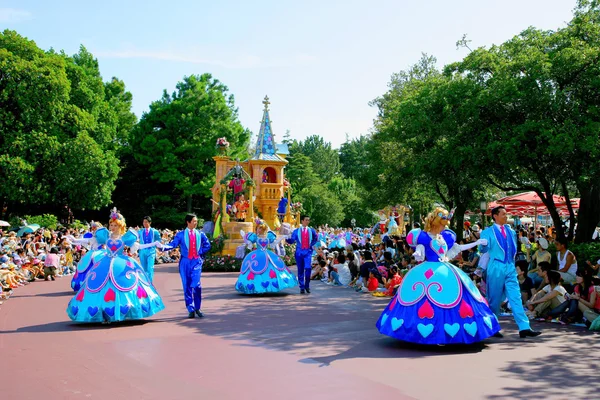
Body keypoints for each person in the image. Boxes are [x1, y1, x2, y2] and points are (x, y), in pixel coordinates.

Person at [376, 207, 501, 345]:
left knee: (456, 292)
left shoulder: (446, 236)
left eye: (445, 221)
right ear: (435, 220)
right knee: (418, 294)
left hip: (445, 271)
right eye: (443, 221)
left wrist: (476, 243)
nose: (444, 224)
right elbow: (420, 249)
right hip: (428, 271)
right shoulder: (422, 236)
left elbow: (457, 248)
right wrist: (418, 253)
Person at [66, 209, 165, 323]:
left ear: (120, 226)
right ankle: (103, 312)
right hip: (105, 262)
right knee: (100, 285)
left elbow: (139, 246)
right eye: (111, 225)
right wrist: (75, 240)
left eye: (114, 225)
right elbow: (89, 240)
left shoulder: (125, 238)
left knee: (125, 283)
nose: (112, 227)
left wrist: (154, 244)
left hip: (121, 264)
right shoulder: (105, 236)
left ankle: (124, 310)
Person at [480, 206, 541, 338]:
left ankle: (524, 327)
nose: (506, 216)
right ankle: (493, 326)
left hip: (510, 266)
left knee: (516, 297)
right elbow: (483, 250)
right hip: (496, 266)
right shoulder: (487, 232)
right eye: (503, 214)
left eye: (506, 214)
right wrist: (483, 245)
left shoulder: (511, 231)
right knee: (494, 300)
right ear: (495, 216)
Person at [235, 219, 298, 294]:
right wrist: (246, 240)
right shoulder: (255, 237)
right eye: (258, 228)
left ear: (264, 228)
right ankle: (256, 287)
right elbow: (249, 245)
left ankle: (268, 287)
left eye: (261, 228)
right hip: (257, 255)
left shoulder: (269, 236)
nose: (259, 230)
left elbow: (274, 243)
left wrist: (282, 237)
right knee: (255, 269)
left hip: (267, 254)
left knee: (272, 267)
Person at [166, 214, 211, 318]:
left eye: (196, 221)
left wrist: (200, 253)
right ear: (188, 222)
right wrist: (163, 247)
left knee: (196, 285)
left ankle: (197, 308)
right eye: (194, 221)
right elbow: (173, 244)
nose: (196, 223)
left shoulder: (200, 234)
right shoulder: (181, 235)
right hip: (185, 262)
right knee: (186, 286)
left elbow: (207, 245)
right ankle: (190, 308)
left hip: (196, 261)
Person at [286, 215, 318, 294]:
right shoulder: (296, 231)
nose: (308, 221)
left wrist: (311, 244)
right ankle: (302, 287)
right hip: (299, 253)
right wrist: (287, 238)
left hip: (307, 253)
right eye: (306, 220)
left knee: (308, 268)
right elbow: (292, 240)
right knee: (300, 270)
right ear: (302, 221)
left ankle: (307, 285)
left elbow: (316, 238)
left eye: (308, 220)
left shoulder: (311, 230)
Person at [137, 216, 161, 283]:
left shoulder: (155, 231)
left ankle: (150, 283)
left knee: (150, 268)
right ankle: (145, 282)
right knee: (144, 269)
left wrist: (158, 245)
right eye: (143, 222)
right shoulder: (140, 231)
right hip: (142, 252)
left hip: (151, 252)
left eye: (146, 222)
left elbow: (159, 240)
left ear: (150, 223)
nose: (144, 223)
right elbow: (135, 238)